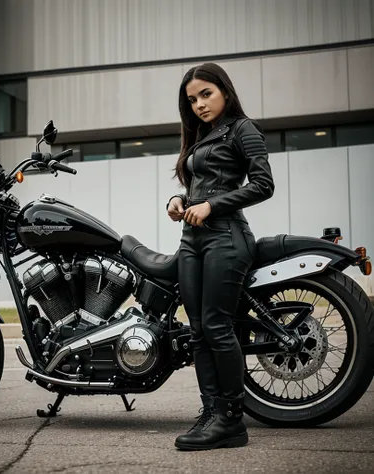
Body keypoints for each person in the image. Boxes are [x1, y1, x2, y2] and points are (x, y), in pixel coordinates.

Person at [167, 63, 275, 451]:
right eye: (192, 99)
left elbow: (264, 184)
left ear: (225, 91)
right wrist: (178, 200)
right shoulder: (200, 136)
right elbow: (195, 185)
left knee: (216, 326)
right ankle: (211, 412)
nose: (199, 104)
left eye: (206, 94)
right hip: (192, 240)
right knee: (197, 332)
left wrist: (212, 205)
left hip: (226, 239)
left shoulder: (243, 128)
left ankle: (231, 420)